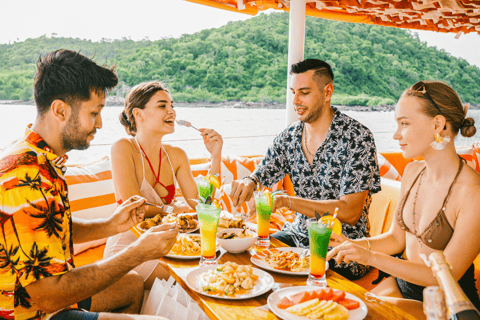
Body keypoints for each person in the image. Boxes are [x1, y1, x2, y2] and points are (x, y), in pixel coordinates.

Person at [0, 49, 177, 320]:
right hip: (30, 311)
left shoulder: (42, 157)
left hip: (49, 294)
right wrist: (136, 253)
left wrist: (110, 225)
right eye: (94, 112)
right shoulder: (25, 176)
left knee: (131, 284)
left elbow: (49, 224)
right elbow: (47, 296)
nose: (100, 123)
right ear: (60, 110)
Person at [327, 81, 480, 319]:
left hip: (445, 305)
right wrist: (354, 245)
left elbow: (442, 275)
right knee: (336, 308)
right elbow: (396, 239)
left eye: (404, 124)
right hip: (402, 286)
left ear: (438, 124)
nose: (396, 134)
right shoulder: (412, 172)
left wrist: (370, 257)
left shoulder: (473, 192)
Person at [230, 59, 381, 280]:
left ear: (327, 92)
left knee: (292, 280)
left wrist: (287, 202)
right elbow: (261, 175)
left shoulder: (358, 138)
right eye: (293, 92)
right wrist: (249, 182)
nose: (295, 101)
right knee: (248, 259)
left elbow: (349, 212)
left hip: (341, 248)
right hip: (296, 235)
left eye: (304, 92)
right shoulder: (289, 137)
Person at [104, 81, 223, 289]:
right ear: (138, 114)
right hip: (128, 248)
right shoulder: (123, 148)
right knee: (196, 278)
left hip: (165, 245)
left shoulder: (176, 155)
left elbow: (202, 205)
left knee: (215, 265)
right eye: (162, 106)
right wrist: (172, 209)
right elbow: (135, 207)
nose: (172, 112)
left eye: (172, 105)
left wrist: (215, 156)